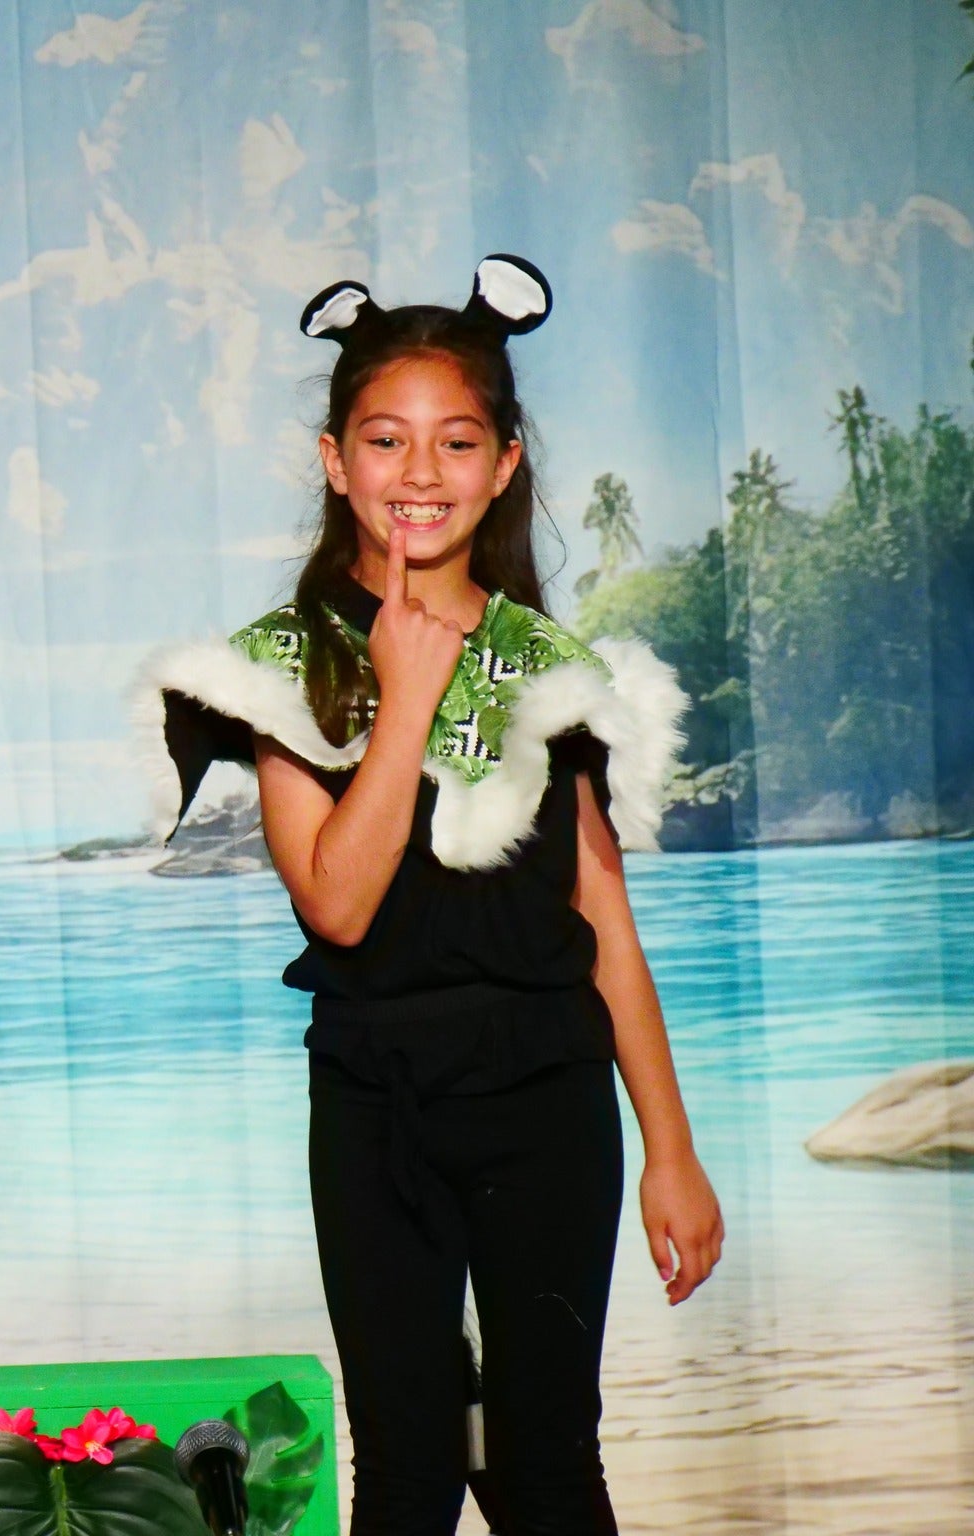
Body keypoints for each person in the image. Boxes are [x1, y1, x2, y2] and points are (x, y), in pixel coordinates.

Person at [143, 256, 723, 1534]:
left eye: (455, 441)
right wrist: (401, 695)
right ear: (333, 458)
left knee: (548, 1466)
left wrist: (671, 1150)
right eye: (385, 440)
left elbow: (604, 925)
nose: (419, 472)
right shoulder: (285, 661)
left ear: (504, 463)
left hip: (546, 1097)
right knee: (403, 1466)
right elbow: (336, 908)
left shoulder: (551, 668)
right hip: (375, 1105)